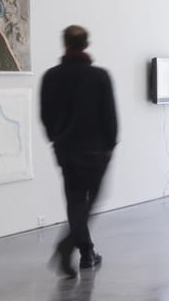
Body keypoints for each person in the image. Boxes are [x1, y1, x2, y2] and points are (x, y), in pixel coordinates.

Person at [39, 25, 118, 278]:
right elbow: (109, 115)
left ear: (64, 44)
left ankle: (86, 252)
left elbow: (45, 115)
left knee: (75, 202)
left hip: (66, 150)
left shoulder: (51, 77)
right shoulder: (99, 76)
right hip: (95, 151)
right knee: (89, 202)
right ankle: (67, 246)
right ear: (86, 45)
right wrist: (111, 144)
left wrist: (56, 139)